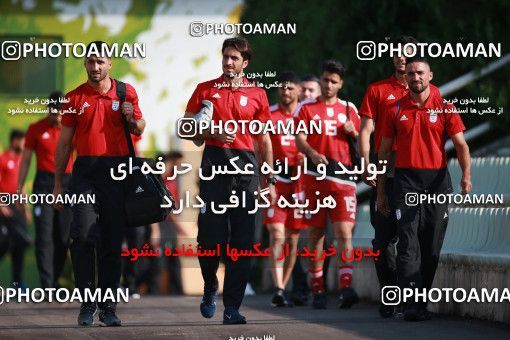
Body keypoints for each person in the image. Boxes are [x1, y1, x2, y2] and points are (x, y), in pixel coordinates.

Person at [179, 36, 275, 324]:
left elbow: (264, 141)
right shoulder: (205, 90)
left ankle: (232, 307)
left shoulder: (258, 94)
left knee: (243, 241)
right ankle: (210, 284)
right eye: (225, 57)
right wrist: (212, 134)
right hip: (214, 166)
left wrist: (267, 181)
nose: (228, 62)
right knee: (209, 239)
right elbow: (187, 129)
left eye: (234, 58)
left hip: (246, 170)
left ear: (245, 63)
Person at [54, 41, 146, 327]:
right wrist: (58, 184)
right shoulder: (73, 98)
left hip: (117, 173)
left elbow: (141, 127)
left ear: (110, 64)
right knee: (81, 236)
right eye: (91, 62)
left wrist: (132, 118)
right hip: (84, 174)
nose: (95, 67)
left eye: (100, 62)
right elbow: (65, 144)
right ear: (85, 64)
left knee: (110, 242)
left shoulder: (126, 92)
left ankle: (108, 308)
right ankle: (86, 303)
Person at [377, 55, 471, 321]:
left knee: (430, 245)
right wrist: (382, 191)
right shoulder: (394, 109)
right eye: (410, 74)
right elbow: (383, 153)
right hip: (406, 180)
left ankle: (420, 301)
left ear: (430, 76)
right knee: (408, 242)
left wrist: (466, 176)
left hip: (437, 182)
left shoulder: (445, 107)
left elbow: (461, 145)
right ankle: (410, 305)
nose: (415, 77)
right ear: (405, 78)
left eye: (420, 72)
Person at [358, 36, 442, 317]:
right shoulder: (377, 90)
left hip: (417, 174)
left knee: (415, 238)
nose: (401, 58)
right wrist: (366, 163)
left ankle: (411, 299)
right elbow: (366, 130)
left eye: (407, 54)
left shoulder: (432, 93)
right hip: (387, 172)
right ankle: (391, 292)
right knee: (383, 242)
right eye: (396, 54)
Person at [295, 60, 360, 309]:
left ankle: (346, 286)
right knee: (316, 233)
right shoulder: (306, 108)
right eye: (325, 80)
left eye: (334, 81)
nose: (329, 85)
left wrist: (353, 130)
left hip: (343, 179)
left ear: (341, 84)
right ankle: (318, 287)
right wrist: (311, 153)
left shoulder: (348, 108)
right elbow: (299, 138)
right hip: (315, 179)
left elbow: (366, 133)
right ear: (320, 80)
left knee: (344, 233)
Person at [17, 91, 74, 289]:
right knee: (44, 236)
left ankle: (55, 280)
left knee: (63, 237)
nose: (57, 117)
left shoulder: (72, 128)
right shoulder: (36, 129)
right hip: (44, 183)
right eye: (54, 112)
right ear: (48, 110)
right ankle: (47, 285)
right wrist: (19, 188)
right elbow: (25, 161)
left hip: (67, 184)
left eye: (60, 113)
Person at [264, 71, 306, 307]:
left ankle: (283, 286)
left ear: (299, 90)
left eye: (291, 88)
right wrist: (266, 181)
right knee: (276, 234)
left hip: (300, 180)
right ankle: (279, 288)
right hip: (276, 179)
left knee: (292, 238)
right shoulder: (269, 114)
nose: (286, 92)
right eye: (282, 88)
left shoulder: (307, 113)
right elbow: (260, 149)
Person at [0, 129, 32, 290]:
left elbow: (22, 186)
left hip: (18, 206)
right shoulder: (3, 158)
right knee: (4, 243)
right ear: (14, 141)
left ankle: (17, 283)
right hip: (5, 206)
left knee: (20, 245)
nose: (24, 144)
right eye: (21, 140)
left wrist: (26, 209)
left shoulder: (21, 160)